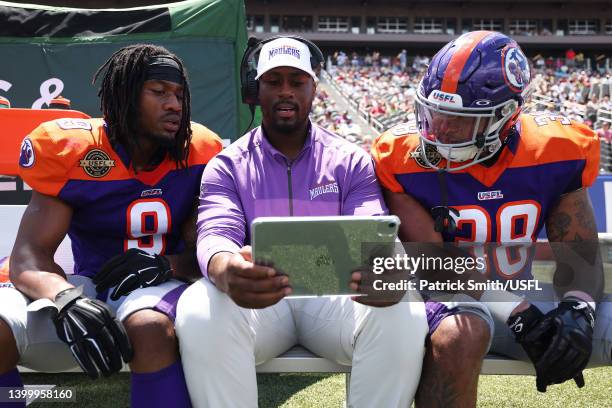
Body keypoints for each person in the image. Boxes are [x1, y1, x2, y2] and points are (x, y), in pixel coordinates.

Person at [175, 36, 428, 407]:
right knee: (199, 305)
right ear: (255, 91)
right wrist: (225, 267)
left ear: (313, 88)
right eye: (273, 81)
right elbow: (216, 233)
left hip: (335, 300)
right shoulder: (227, 165)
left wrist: (384, 265)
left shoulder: (352, 160)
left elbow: (372, 229)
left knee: (402, 305)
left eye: (297, 81)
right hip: (261, 302)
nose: (285, 92)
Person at [372, 31, 610, 407]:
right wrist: (517, 313)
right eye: (435, 113)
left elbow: (579, 252)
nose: (439, 130)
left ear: (504, 117)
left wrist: (578, 310)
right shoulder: (400, 158)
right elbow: (435, 260)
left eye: (459, 120)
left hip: (530, 301)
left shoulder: (556, 150)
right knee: (461, 335)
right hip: (450, 304)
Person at [0, 44, 222, 408]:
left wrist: (169, 265)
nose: (175, 104)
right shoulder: (74, 151)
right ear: (125, 95)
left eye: (179, 94)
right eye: (159, 92)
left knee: (149, 330)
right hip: (87, 284)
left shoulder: (199, 151)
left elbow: (210, 249)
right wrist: (65, 297)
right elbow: (29, 255)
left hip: (160, 285)